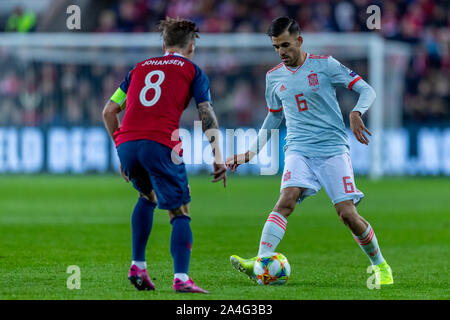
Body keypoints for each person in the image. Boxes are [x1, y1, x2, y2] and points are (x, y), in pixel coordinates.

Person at [226, 17, 393, 286]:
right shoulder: (273, 77)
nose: (281, 52)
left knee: (347, 215)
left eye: (286, 45)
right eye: (276, 47)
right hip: (298, 149)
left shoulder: (325, 65)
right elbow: (273, 117)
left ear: (299, 41)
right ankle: (261, 260)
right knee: (287, 199)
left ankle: (381, 265)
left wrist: (356, 112)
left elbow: (367, 90)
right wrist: (250, 153)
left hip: (332, 149)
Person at [102, 17, 226, 293]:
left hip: (128, 143)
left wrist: (122, 148)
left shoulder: (138, 69)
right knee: (180, 210)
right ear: (191, 46)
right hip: (160, 143)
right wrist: (218, 155)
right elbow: (206, 113)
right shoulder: (193, 71)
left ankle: (138, 266)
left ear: (163, 44)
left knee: (147, 195)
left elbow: (109, 111)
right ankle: (181, 278)